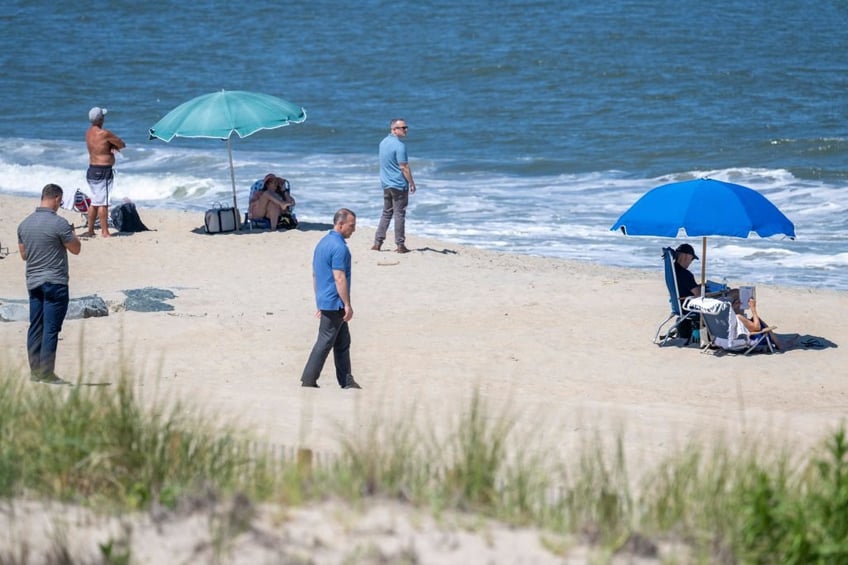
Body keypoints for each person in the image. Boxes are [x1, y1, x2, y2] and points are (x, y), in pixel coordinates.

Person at [17, 184, 82, 384]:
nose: (60, 205)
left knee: (35, 326)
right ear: (55, 198)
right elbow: (76, 249)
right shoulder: (60, 223)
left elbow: (24, 255)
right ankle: (47, 373)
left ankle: (35, 371)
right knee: (51, 328)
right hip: (55, 281)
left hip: (33, 281)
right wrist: (72, 234)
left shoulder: (24, 224)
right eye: (60, 201)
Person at [301, 208, 361, 389]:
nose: (354, 229)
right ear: (340, 224)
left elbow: (315, 275)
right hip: (334, 302)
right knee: (325, 341)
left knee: (343, 342)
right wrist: (347, 304)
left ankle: (347, 381)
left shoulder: (322, 243)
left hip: (327, 300)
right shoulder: (339, 247)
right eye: (351, 226)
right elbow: (339, 277)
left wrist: (319, 301)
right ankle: (308, 380)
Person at [372, 118, 416, 254]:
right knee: (399, 214)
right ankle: (400, 245)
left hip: (386, 183)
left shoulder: (383, 143)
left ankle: (377, 243)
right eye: (403, 128)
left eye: (406, 127)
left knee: (386, 213)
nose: (406, 130)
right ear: (394, 129)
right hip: (398, 184)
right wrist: (412, 183)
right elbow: (404, 167)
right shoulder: (399, 146)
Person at [85, 106, 126, 238]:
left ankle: (91, 230)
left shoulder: (88, 133)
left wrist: (110, 146)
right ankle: (105, 231)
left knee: (95, 202)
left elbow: (99, 147)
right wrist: (113, 146)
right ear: (101, 119)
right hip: (103, 171)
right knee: (103, 203)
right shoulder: (105, 133)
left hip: (91, 170)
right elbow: (121, 144)